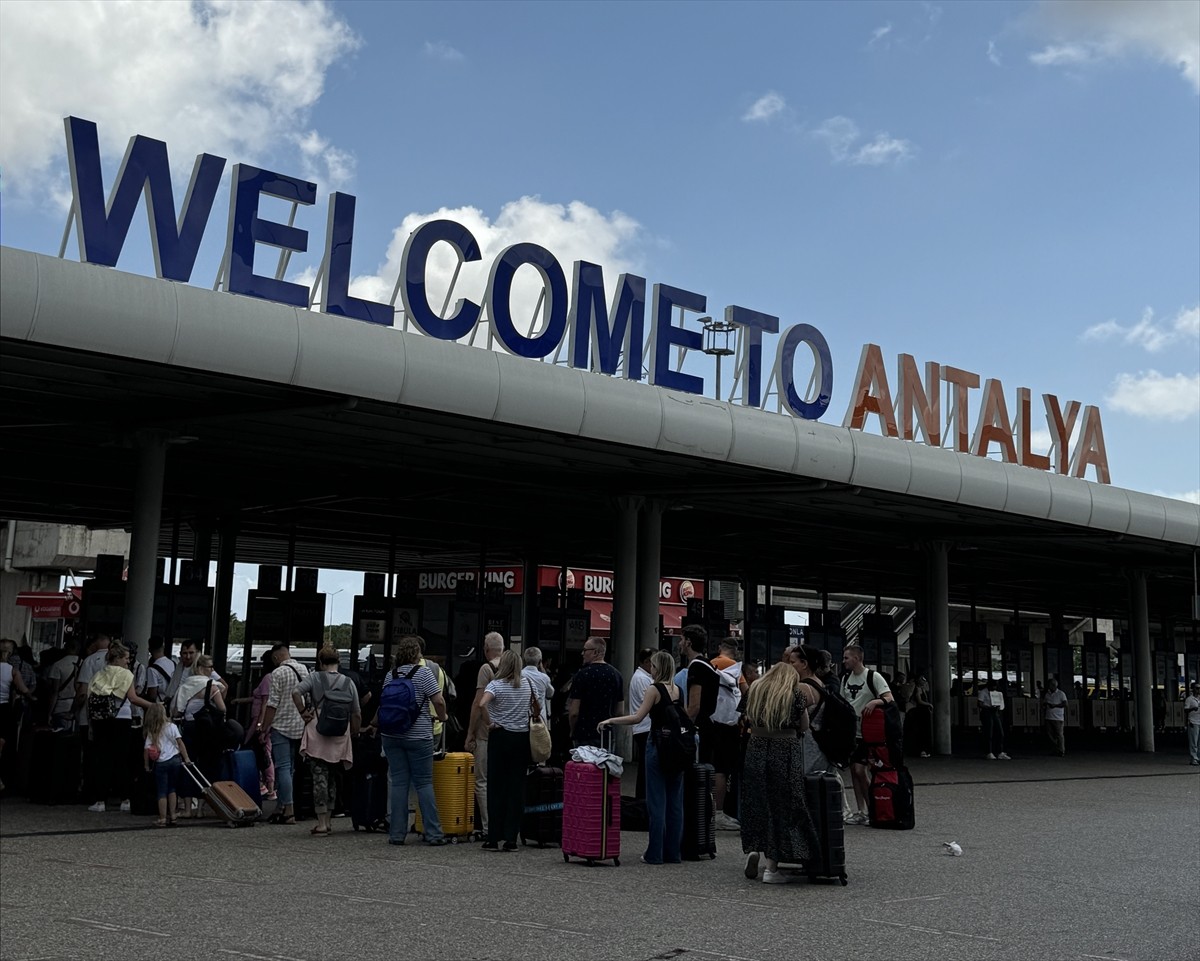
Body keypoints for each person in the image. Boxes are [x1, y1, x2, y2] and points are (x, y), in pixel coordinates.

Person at [598, 650, 685, 865]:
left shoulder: (654, 689)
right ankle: (673, 852)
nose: (651, 669)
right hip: (677, 747)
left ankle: (655, 852)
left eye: (653, 666)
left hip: (657, 744)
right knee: (675, 802)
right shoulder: (678, 690)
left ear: (658, 668)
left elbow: (638, 717)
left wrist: (611, 720)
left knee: (656, 801)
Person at [739, 663, 821, 884]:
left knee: (756, 802)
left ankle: (754, 849)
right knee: (782, 806)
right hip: (784, 750)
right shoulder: (793, 694)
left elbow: (744, 718)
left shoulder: (755, 690)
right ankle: (771, 868)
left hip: (756, 748)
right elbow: (804, 725)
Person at [380, 635, 447, 846]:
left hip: (391, 735)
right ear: (417, 654)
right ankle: (434, 833)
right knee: (424, 783)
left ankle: (396, 834)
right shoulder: (424, 673)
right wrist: (443, 717)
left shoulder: (390, 675)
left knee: (399, 783)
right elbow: (439, 700)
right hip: (418, 736)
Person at [293, 645, 362, 837]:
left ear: (321, 662)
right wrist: (354, 733)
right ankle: (329, 820)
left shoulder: (315, 677)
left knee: (319, 777)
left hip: (318, 731)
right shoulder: (348, 682)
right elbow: (356, 712)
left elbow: (296, 692)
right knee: (333, 777)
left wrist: (303, 712)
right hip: (340, 734)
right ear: (338, 662)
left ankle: (322, 823)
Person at [85, 642, 154, 813]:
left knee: (102, 759)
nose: (128, 661)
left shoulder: (99, 674)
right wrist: (152, 706)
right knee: (122, 760)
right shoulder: (126, 674)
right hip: (122, 719)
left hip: (101, 720)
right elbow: (133, 698)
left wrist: (91, 724)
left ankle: (100, 801)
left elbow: (89, 700)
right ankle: (125, 799)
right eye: (126, 658)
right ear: (117, 658)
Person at [475, 649, 532, 852]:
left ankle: (493, 837)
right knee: (516, 788)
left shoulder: (496, 685)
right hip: (521, 738)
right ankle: (511, 838)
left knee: (496, 787)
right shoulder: (527, 684)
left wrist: (489, 722)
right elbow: (537, 708)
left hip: (500, 736)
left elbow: (482, 704)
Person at [841, 642, 896, 825]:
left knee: (859, 769)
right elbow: (844, 701)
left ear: (857, 658)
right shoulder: (845, 679)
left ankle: (872, 808)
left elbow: (888, 697)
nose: (844, 661)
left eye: (847, 657)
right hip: (852, 731)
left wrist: (875, 702)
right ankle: (861, 811)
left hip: (867, 732)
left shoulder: (873, 676)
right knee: (854, 771)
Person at [258, 642, 310, 825]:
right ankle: (281, 806)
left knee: (283, 767)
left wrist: (264, 727)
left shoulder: (277, 673)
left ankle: (289, 809)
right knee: (291, 768)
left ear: (275, 657)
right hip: (300, 725)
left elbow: (272, 703)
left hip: (281, 726)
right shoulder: (304, 669)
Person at [465, 631, 504, 838]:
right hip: (509, 731)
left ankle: (489, 827)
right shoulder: (514, 669)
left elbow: (478, 703)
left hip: (486, 732)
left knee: (482, 781)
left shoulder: (486, 669)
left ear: (486, 649)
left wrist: (470, 733)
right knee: (503, 780)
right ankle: (505, 824)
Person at [568, 637, 623, 748]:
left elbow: (574, 712)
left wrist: (572, 731)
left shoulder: (582, 675)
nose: (582, 653)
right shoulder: (616, 675)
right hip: (606, 733)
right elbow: (620, 711)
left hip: (584, 733)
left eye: (585, 650)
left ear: (595, 652)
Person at [141, 702, 188, 827]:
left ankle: (162, 818)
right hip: (175, 760)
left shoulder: (152, 731)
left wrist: (146, 765)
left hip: (161, 762)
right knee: (172, 789)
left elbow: (146, 750)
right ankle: (173, 816)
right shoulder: (172, 726)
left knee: (162, 791)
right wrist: (186, 758)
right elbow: (180, 743)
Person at [0, 639, 34, 793]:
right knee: (3, 743)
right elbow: (24, 689)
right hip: (4, 709)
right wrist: (32, 698)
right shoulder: (13, 671)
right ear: (11, 652)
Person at [627, 648, 655, 800]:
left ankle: (642, 798)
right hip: (644, 727)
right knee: (646, 766)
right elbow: (650, 702)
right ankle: (642, 799)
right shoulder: (642, 679)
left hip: (644, 726)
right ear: (646, 662)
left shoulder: (645, 677)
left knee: (646, 766)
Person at [978, 678, 1010, 760]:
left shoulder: (996, 693)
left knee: (1000, 732)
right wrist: (988, 707)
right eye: (993, 686)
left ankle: (1000, 752)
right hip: (987, 712)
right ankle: (988, 752)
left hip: (994, 712)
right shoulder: (983, 692)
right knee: (989, 732)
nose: (995, 688)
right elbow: (980, 703)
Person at [521, 646, 555, 719]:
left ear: (524, 660)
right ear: (540, 662)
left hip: (522, 718)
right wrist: (543, 671)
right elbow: (550, 695)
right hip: (539, 719)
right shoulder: (544, 678)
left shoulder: (518, 675)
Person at [906, 675, 933, 758]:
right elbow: (919, 700)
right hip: (921, 711)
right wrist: (929, 704)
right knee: (922, 730)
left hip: (923, 711)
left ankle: (923, 749)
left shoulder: (922, 689)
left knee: (923, 730)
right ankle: (922, 750)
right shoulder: (918, 689)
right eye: (922, 680)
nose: (924, 681)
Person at [1042, 677, 1068, 757]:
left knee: (1059, 734)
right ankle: (1056, 748)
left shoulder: (1061, 694)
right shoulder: (1047, 694)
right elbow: (1044, 703)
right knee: (1050, 734)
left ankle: (1061, 750)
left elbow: (1065, 704)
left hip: (1058, 717)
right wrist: (1045, 705)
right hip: (1049, 716)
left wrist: (1055, 705)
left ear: (1053, 685)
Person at [144, 636, 175, 704]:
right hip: (172, 703)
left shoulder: (152, 669)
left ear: (149, 650)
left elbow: (153, 695)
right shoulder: (173, 663)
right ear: (163, 647)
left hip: (160, 705)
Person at [1185, 682, 1200, 766]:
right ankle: (1194, 758)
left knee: (1199, 742)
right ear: (1193, 689)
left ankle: (1198, 757)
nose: (1198, 690)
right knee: (1194, 741)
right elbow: (1185, 710)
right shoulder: (1189, 699)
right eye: (1197, 688)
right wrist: (1193, 708)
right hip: (1193, 722)